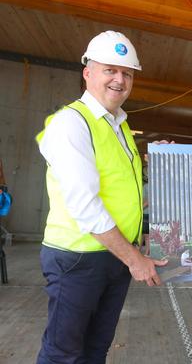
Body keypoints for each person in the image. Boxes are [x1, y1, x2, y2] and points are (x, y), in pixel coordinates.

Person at [35, 31, 167, 363]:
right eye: (110, 69)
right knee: (63, 353)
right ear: (88, 72)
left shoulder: (120, 126)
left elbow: (125, 193)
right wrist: (134, 259)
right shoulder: (72, 123)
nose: (119, 80)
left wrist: (166, 168)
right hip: (77, 258)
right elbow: (85, 204)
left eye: (127, 73)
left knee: (96, 349)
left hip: (113, 255)